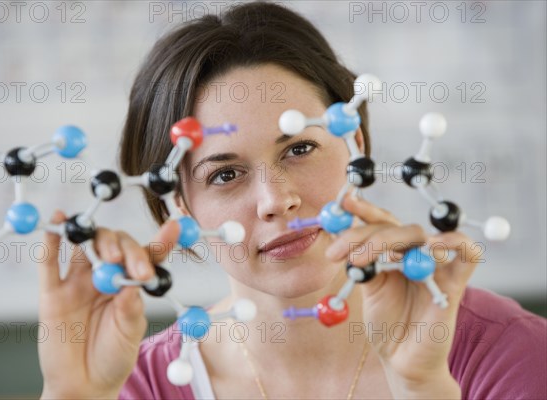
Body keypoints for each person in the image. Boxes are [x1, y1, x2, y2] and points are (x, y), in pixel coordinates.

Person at [37, 2, 546, 399]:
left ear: (356, 147)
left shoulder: (511, 355)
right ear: (179, 204)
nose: (276, 200)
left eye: (300, 148)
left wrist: (423, 390)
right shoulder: (134, 386)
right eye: (226, 174)